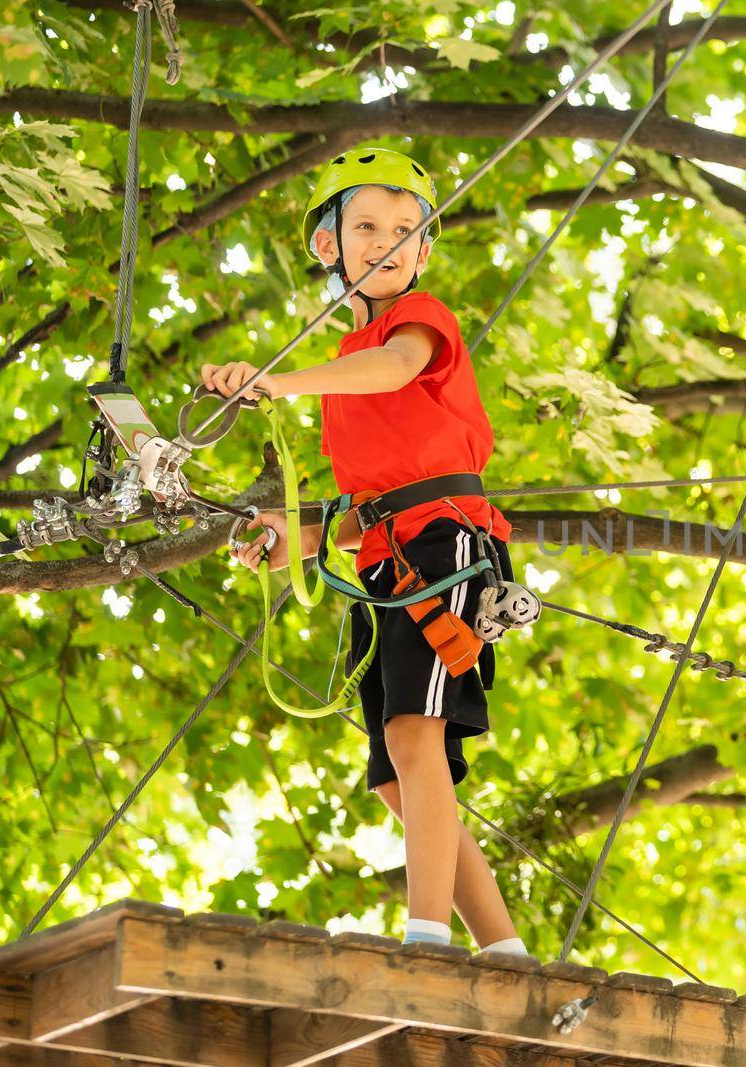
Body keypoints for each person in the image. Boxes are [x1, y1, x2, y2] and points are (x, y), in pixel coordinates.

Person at [199, 147, 526, 957]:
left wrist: (278, 381)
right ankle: (504, 950)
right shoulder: (342, 368)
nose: (386, 242)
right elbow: (371, 506)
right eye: (367, 226)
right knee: (394, 771)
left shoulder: (418, 326)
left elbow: (396, 369)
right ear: (328, 245)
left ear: (423, 252)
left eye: (405, 230)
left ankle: (426, 937)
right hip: (390, 560)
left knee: (419, 737)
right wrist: (295, 541)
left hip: (451, 546)